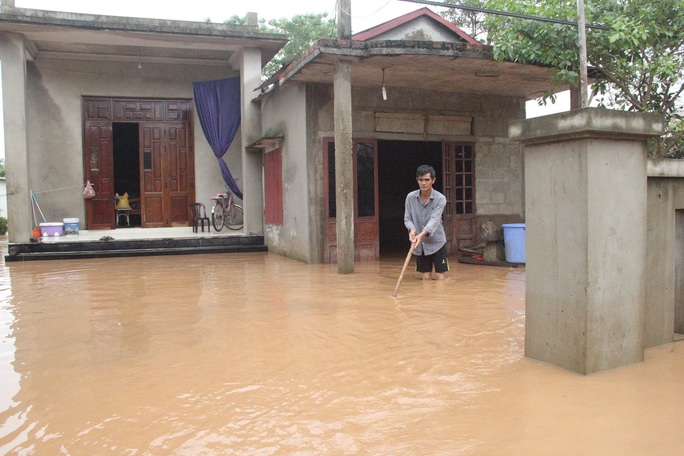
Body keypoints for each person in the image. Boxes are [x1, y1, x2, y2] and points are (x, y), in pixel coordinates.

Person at [404, 164, 449, 280]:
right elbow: (407, 218)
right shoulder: (410, 197)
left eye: (427, 180)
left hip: (437, 243)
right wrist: (412, 229)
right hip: (420, 245)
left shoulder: (440, 199)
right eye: (421, 180)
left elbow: (434, 220)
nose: (424, 183)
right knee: (426, 277)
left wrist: (422, 234)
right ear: (417, 180)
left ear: (433, 180)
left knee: (441, 277)